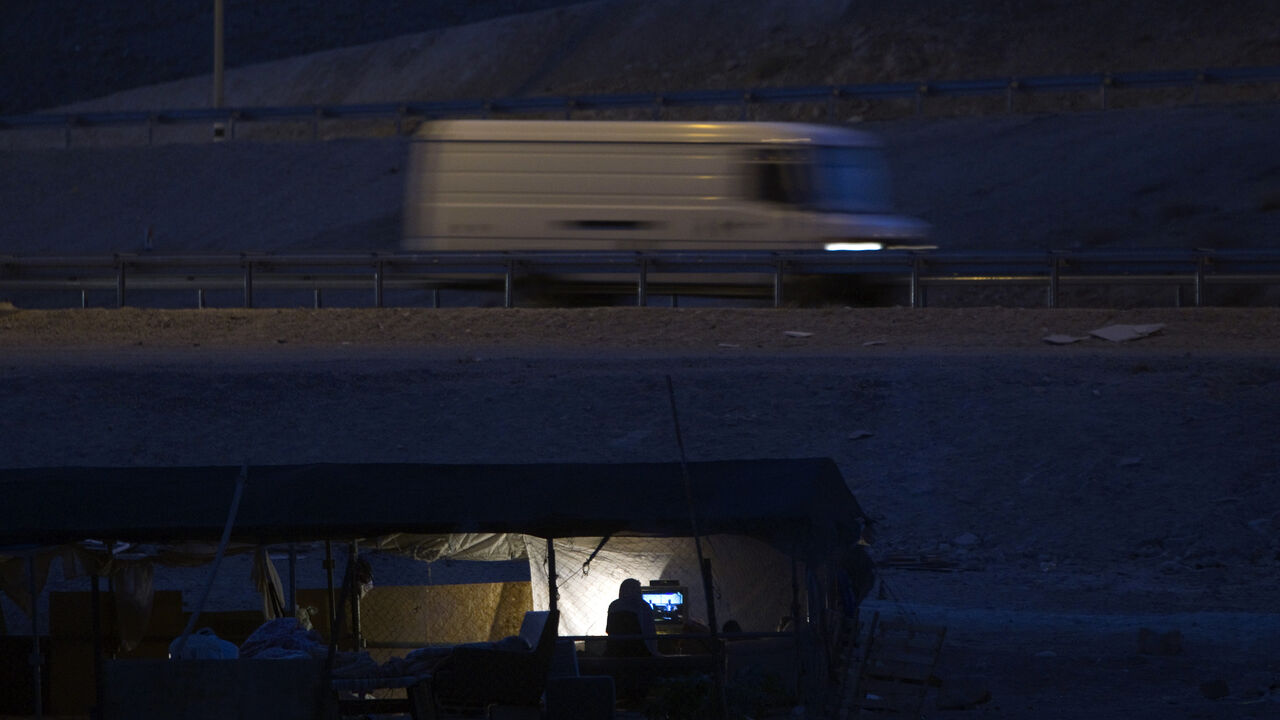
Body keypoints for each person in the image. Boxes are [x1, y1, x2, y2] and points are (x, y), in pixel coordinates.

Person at [605, 578, 659, 657]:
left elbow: (608, 631)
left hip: (615, 652)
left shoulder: (613, 605)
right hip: (639, 652)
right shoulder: (644, 606)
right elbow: (650, 632)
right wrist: (654, 653)